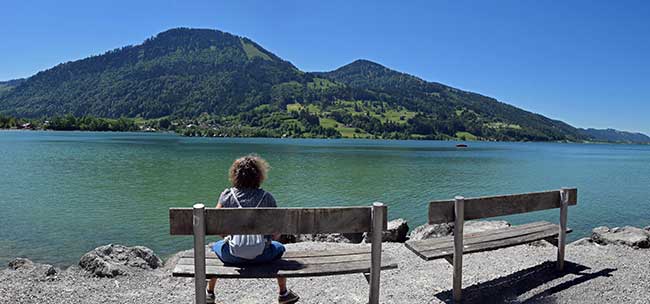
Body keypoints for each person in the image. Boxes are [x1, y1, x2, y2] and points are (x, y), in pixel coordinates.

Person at [207, 154, 300, 304]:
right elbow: (276, 232)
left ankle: (209, 293)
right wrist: (266, 241)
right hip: (262, 255)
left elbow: (215, 226)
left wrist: (232, 239)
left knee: (215, 247)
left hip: (232, 255)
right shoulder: (267, 198)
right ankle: (283, 293)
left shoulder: (227, 196)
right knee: (279, 248)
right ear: (259, 176)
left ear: (235, 175)